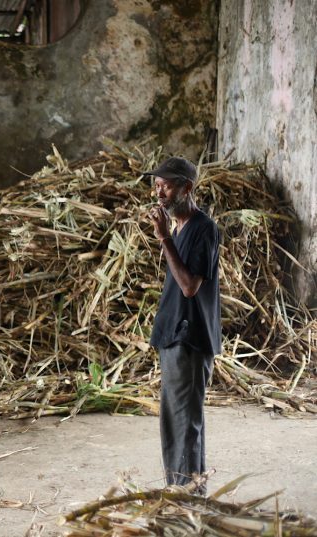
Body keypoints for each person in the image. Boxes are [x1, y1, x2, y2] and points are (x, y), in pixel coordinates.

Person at [144, 156, 221, 492]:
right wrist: (168, 237)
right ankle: (187, 493)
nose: (159, 192)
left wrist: (164, 239)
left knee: (184, 422)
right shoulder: (179, 228)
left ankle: (187, 497)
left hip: (189, 338)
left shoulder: (204, 228)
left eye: (167, 185)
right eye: (157, 185)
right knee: (177, 422)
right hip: (175, 334)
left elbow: (190, 286)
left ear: (187, 188)